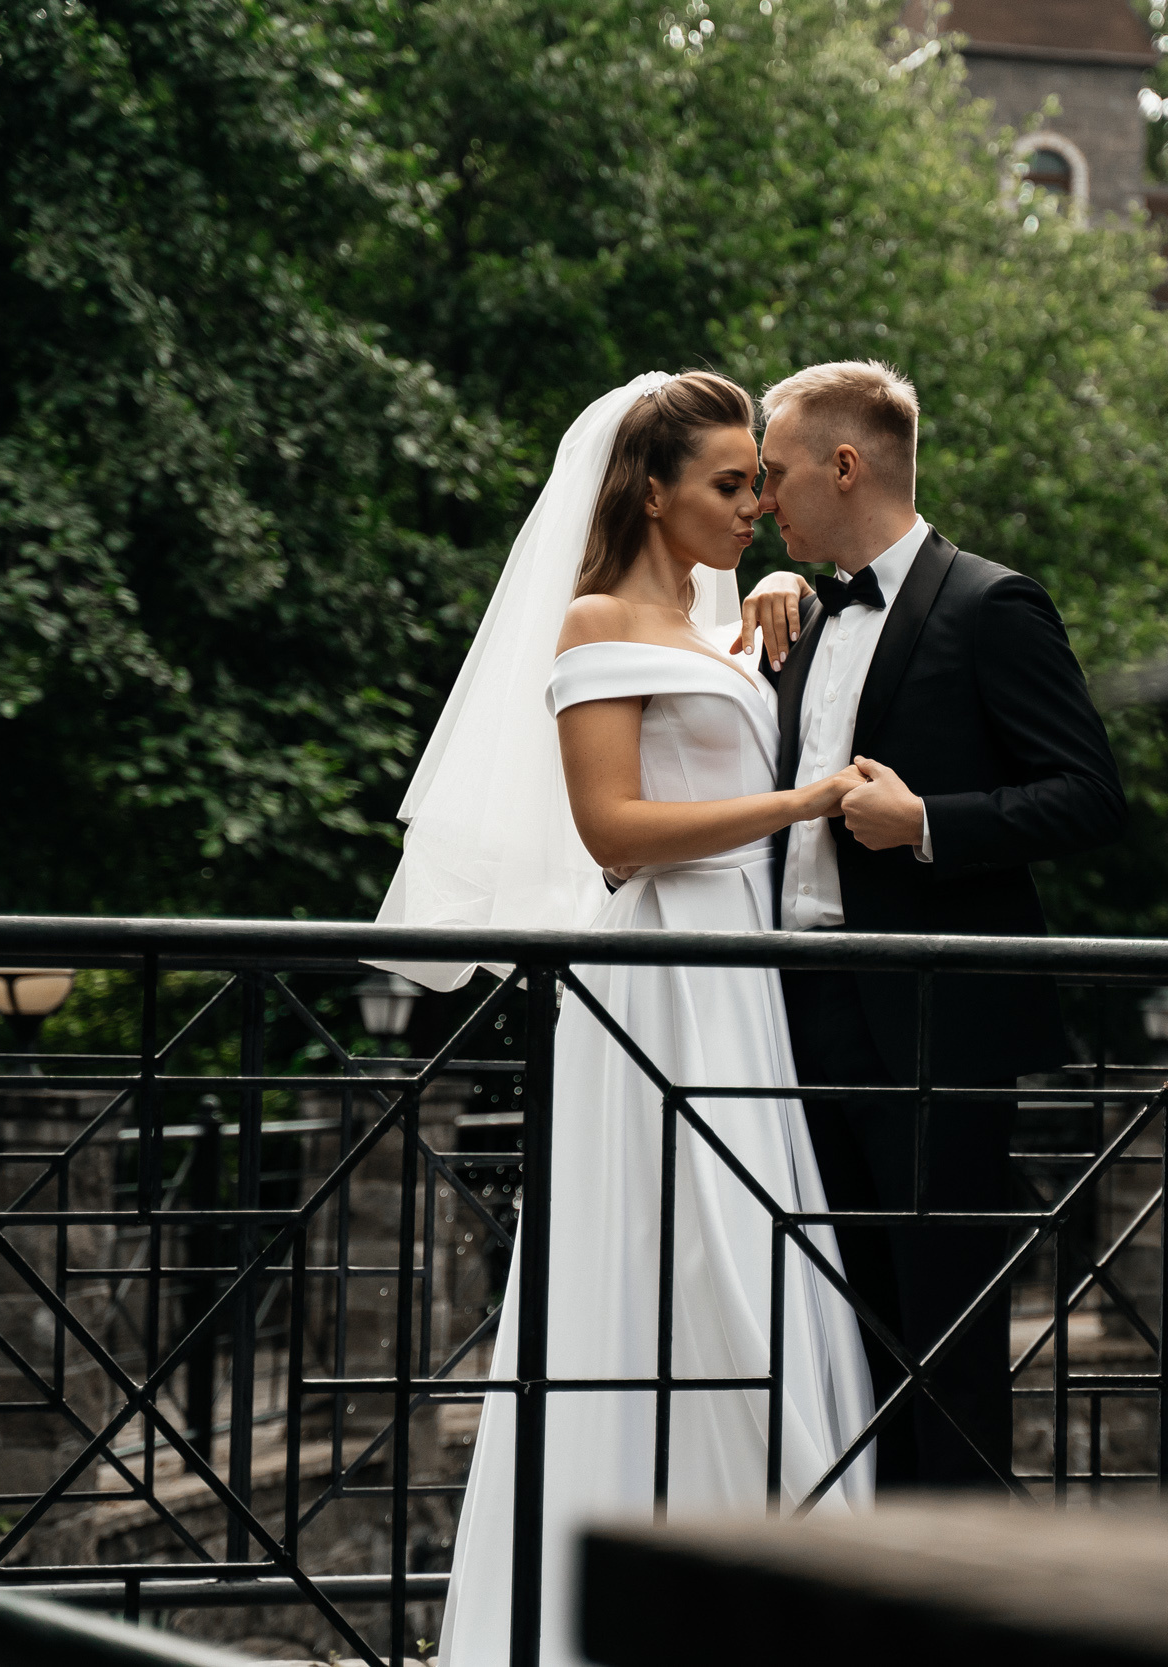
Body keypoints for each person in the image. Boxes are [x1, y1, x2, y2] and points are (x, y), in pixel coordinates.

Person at [374, 371, 875, 1667]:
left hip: (736, 973)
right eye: (727, 485)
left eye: (759, 483)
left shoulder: (716, 620)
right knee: (670, 1245)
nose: (756, 507)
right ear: (650, 492)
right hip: (655, 969)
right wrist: (803, 802)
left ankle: (753, 1580)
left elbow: (726, 687)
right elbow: (613, 832)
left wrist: (772, 612)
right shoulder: (594, 622)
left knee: (748, 1255)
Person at [732, 360, 1126, 1489]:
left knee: (943, 1328)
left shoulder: (991, 603)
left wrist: (925, 823)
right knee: (832, 1312)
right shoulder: (799, 614)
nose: (762, 501)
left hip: (930, 1024)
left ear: (843, 465)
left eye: (774, 475)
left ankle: (945, 1596)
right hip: (787, 1010)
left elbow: (1089, 794)